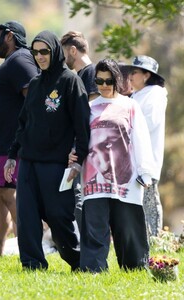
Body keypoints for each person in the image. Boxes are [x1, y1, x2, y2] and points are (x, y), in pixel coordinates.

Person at [4, 30, 90, 271]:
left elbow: (82, 125)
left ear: (54, 51)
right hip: (29, 161)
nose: (40, 56)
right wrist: (12, 155)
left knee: (58, 216)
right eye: (36, 52)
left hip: (56, 164)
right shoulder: (34, 83)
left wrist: (78, 159)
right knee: (27, 216)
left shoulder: (70, 81)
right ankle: (32, 264)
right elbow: (23, 124)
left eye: (44, 51)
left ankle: (78, 261)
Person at [69, 58, 154, 273]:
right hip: (93, 179)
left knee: (127, 228)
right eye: (99, 81)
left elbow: (141, 138)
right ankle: (93, 270)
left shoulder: (130, 106)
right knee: (95, 229)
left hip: (126, 180)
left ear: (116, 80)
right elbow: (79, 139)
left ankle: (135, 268)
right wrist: (73, 156)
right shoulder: (88, 108)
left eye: (108, 81)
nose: (104, 85)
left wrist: (145, 171)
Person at [0, 21, 39, 258]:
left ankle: (31, 250)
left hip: (8, 144)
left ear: (9, 36)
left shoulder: (20, 59)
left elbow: (34, 94)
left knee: (9, 193)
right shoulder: (10, 64)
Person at [60, 31, 99, 232]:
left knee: (79, 197)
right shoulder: (80, 76)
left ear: (73, 50)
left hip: (87, 150)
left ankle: (86, 244)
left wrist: (78, 147)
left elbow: (92, 115)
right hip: (79, 148)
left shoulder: (91, 74)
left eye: (64, 52)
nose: (62, 57)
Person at [128, 55, 168, 237]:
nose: (130, 76)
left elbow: (149, 122)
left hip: (147, 159)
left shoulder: (156, 93)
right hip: (132, 159)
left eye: (134, 72)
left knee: (150, 202)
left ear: (146, 75)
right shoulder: (136, 94)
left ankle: (156, 241)